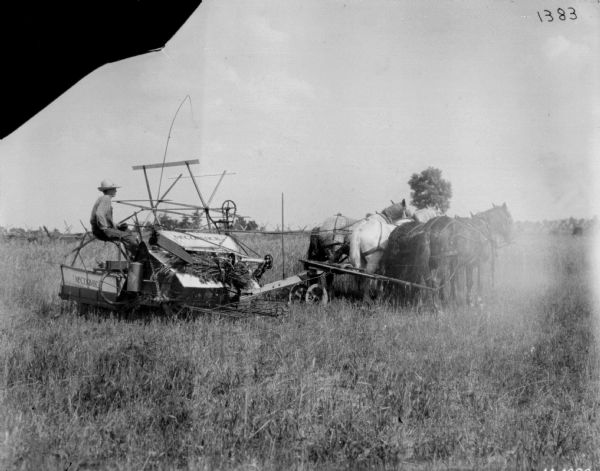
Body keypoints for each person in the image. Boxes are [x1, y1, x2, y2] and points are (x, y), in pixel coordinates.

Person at [90, 179, 139, 255]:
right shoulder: (106, 198)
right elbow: (99, 214)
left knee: (127, 231)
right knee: (129, 238)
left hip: (98, 230)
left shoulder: (102, 199)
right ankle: (138, 259)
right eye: (114, 189)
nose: (116, 191)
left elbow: (105, 218)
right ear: (109, 190)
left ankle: (133, 256)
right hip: (101, 231)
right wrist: (105, 228)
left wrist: (117, 225)